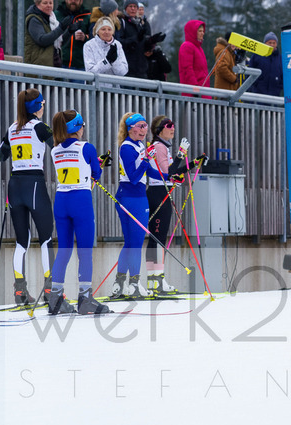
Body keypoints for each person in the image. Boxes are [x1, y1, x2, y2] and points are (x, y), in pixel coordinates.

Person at [45, 109, 110, 315]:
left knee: (64, 249)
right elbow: (96, 174)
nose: (84, 129)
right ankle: (85, 298)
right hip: (80, 200)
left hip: (62, 200)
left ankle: (55, 298)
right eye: (82, 125)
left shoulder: (55, 149)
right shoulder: (87, 147)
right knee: (85, 250)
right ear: (77, 127)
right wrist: (97, 165)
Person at [0, 89, 56, 305]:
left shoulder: (12, 128)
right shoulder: (39, 126)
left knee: (23, 241)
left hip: (15, 186)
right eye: (42, 103)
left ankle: (20, 291)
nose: (43, 107)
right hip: (34, 184)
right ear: (36, 107)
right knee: (46, 238)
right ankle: (50, 292)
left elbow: (1, 156)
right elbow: (58, 147)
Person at [109, 112, 167, 298]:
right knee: (135, 244)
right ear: (130, 128)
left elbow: (149, 170)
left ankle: (119, 284)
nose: (144, 130)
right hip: (133, 198)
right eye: (140, 126)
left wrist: (169, 177)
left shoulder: (139, 145)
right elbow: (134, 177)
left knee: (130, 243)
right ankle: (133, 284)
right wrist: (145, 159)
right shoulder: (127, 148)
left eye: (145, 126)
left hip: (132, 198)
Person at [145, 115, 192, 294]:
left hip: (162, 192)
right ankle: (155, 281)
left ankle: (156, 281)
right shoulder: (158, 147)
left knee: (159, 239)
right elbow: (169, 173)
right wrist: (180, 154)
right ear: (159, 130)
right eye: (168, 125)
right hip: (158, 194)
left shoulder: (163, 147)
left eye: (173, 124)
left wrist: (194, 162)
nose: (173, 128)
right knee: (157, 239)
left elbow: (173, 174)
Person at [24, 0, 73, 67]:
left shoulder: (52, 20)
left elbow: (58, 41)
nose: (49, 5)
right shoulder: (34, 19)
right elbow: (42, 40)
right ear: (37, 4)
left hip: (54, 64)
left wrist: (69, 31)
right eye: (45, 3)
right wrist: (61, 28)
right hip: (39, 67)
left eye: (51, 3)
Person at [118, 0, 159, 79]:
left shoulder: (140, 24)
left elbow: (143, 46)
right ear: (125, 8)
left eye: (135, 7)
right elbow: (119, 43)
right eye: (130, 6)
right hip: (127, 69)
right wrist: (134, 39)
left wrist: (152, 42)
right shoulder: (122, 22)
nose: (133, 9)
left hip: (141, 69)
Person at [54, 0, 91, 71]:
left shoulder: (87, 17)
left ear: (81, 1)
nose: (73, 1)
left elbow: (95, 38)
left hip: (79, 65)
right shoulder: (56, 15)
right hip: (59, 63)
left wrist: (84, 37)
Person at [248, 31, 282, 96]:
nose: (272, 45)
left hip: (274, 94)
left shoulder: (280, 58)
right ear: (265, 43)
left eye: (273, 43)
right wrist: (254, 86)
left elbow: (283, 75)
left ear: (276, 44)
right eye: (269, 43)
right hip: (258, 93)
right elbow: (250, 70)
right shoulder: (257, 56)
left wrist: (279, 86)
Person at [178, 20, 207, 89]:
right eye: (200, 31)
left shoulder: (199, 48)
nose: (202, 33)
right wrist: (195, 88)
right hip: (194, 92)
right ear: (193, 32)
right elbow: (187, 69)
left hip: (202, 90)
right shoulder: (187, 46)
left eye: (203, 31)